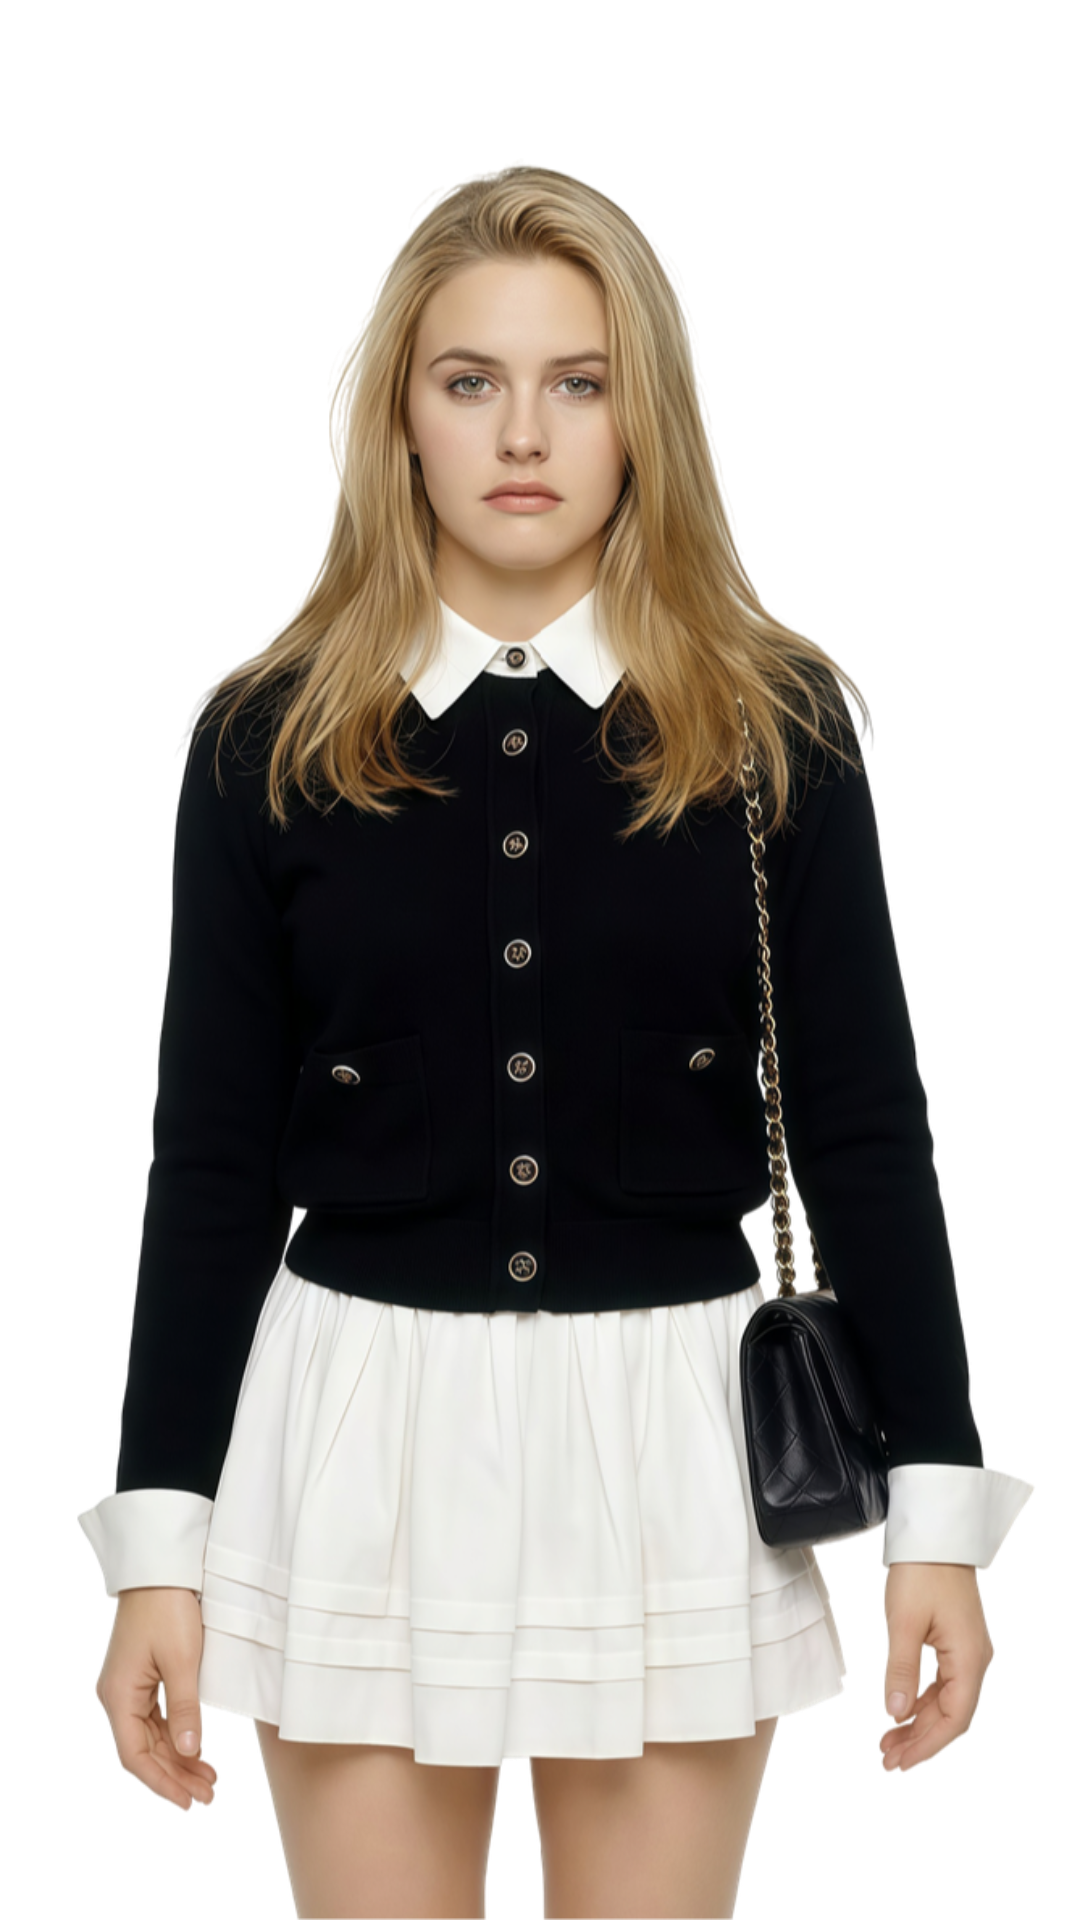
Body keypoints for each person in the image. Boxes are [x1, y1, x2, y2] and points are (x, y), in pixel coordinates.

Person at [78, 162, 1036, 1920]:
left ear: (643, 414)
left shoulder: (776, 728)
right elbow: (207, 1164)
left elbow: (864, 1131)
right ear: (399, 417)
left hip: (675, 1435)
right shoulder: (265, 740)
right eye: (472, 380)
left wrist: (936, 1518)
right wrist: (156, 1544)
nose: (524, 433)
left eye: (578, 382)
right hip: (358, 1433)